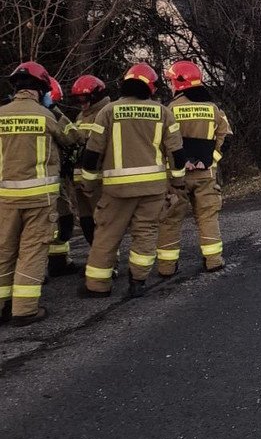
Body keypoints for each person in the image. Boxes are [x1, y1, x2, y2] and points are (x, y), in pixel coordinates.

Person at [78, 63, 184, 299]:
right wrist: (177, 181)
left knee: (107, 234)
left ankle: (97, 286)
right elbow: (176, 153)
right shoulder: (163, 112)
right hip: (153, 189)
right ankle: (138, 280)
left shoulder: (108, 112)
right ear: (150, 87)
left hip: (117, 190)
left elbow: (92, 152)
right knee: (145, 233)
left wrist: (89, 183)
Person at [0, 62, 73, 326]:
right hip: (39, 199)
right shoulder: (46, 116)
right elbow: (72, 137)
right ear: (42, 89)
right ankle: (24, 310)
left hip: (5, 198)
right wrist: (53, 107)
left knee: (4, 250)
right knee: (32, 251)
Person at [156, 61, 232, 277]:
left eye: (171, 81)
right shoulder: (213, 109)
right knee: (207, 217)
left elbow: (162, 143)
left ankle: (166, 268)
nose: (170, 85)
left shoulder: (169, 109)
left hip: (177, 176)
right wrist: (209, 159)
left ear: (179, 83)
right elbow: (226, 139)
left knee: (170, 219)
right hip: (205, 174)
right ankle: (214, 260)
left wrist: (177, 164)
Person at [67, 74, 109, 245]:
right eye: (78, 99)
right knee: (86, 221)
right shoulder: (80, 116)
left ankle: (109, 262)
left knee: (102, 221)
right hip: (79, 180)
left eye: (84, 98)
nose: (81, 103)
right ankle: (95, 256)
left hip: (97, 179)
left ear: (96, 96)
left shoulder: (105, 113)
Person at [45, 77, 79, 277]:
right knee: (58, 222)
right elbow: (72, 136)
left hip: (9, 186)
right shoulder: (48, 116)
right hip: (43, 183)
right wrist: (55, 111)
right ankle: (34, 275)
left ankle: (58, 262)